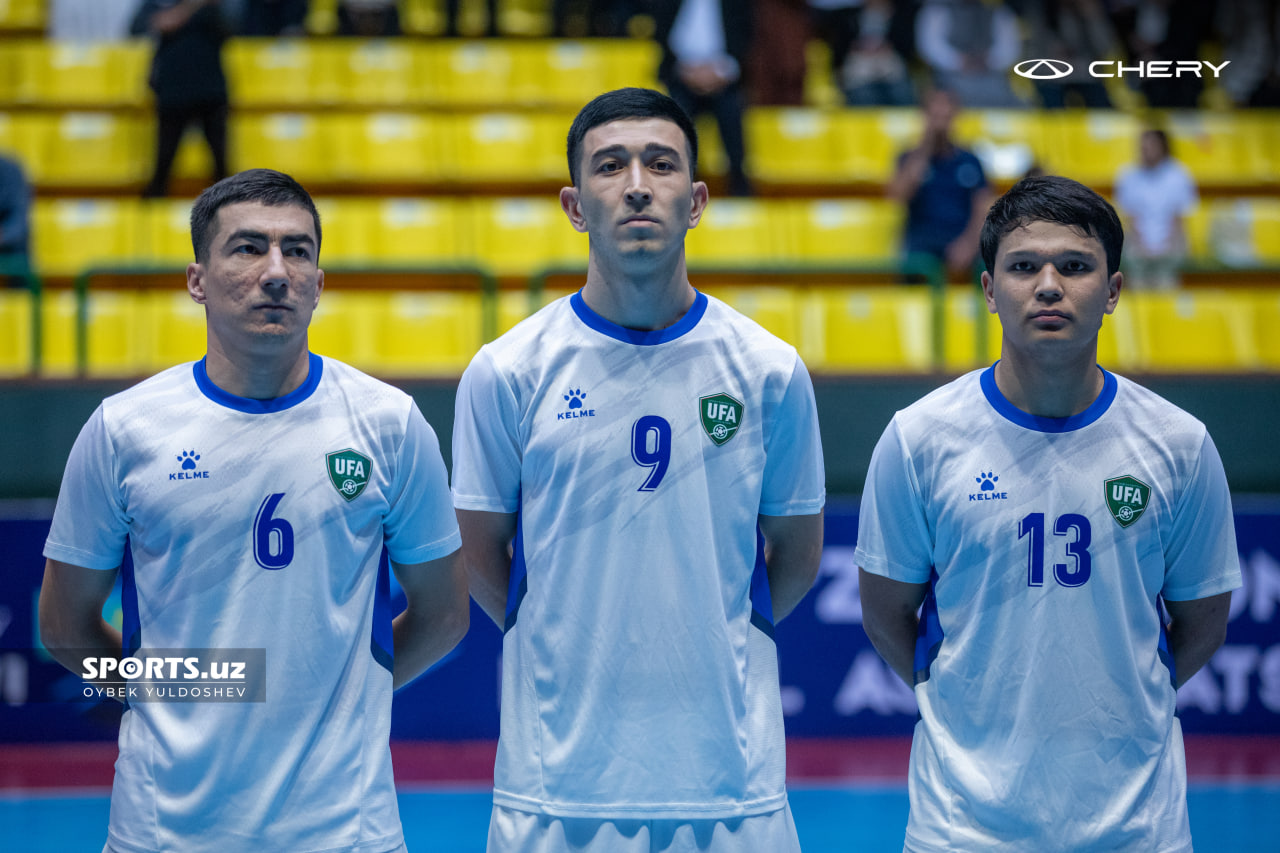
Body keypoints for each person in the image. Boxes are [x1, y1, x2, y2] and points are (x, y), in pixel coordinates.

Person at [39, 168, 469, 853]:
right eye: (247, 248)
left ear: (320, 283)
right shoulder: (123, 430)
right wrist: (194, 689)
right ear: (197, 279)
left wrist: (339, 691)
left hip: (348, 833)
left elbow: (446, 615)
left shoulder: (391, 424)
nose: (276, 272)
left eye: (297, 251)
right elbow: (63, 629)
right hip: (163, 832)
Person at [451, 87, 826, 853]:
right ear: (574, 203)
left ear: (695, 200)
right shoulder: (507, 370)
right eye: (610, 165)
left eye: (660, 164)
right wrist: (555, 633)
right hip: (554, 790)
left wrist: (712, 635)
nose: (636, 184)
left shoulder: (767, 371)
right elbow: (479, 552)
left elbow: (797, 552)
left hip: (734, 785)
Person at [856, 174, 1240, 852]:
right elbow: (888, 612)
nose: (1049, 285)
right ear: (988, 290)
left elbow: (1203, 620)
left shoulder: (1180, 444)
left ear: (1114, 291)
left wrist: (1129, 694)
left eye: (1075, 265)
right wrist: (953, 693)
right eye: (1024, 266)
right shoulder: (919, 438)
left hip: (1136, 827)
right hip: (962, 828)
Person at [887, 87, 992, 282]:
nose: (940, 120)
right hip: (921, 243)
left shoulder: (970, 161)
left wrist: (969, 244)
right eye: (934, 113)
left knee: (991, 267)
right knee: (911, 267)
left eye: (946, 113)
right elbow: (899, 195)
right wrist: (926, 145)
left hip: (961, 238)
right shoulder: (909, 157)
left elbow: (983, 207)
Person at [652, 0, 755, 196]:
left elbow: (745, 40)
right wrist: (686, 71)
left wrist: (721, 72)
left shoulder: (737, 5)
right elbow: (663, 38)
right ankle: (680, 188)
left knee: (733, 112)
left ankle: (740, 187)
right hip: (682, 77)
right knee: (675, 115)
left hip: (724, 78)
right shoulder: (669, 5)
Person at [131, 0, 231, 198]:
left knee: (221, 165)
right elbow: (146, 26)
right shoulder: (159, 3)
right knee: (163, 163)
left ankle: (227, 213)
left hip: (210, 91)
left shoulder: (214, 7)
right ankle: (152, 216)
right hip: (173, 93)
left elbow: (230, 30)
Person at [1114, 128, 1198, 290]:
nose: (1145, 149)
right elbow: (1130, 218)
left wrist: (1165, 246)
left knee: (1166, 278)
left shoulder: (1179, 175)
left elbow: (1179, 219)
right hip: (1138, 242)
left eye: (1151, 145)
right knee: (1134, 265)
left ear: (1163, 146)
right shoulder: (1128, 175)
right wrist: (1143, 246)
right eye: (1143, 145)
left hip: (1170, 241)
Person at [0, 153, 32, 286]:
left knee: (19, 250)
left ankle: (19, 301)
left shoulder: (11, 170)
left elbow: (20, 222)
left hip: (7, 248)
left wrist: (3, 235)